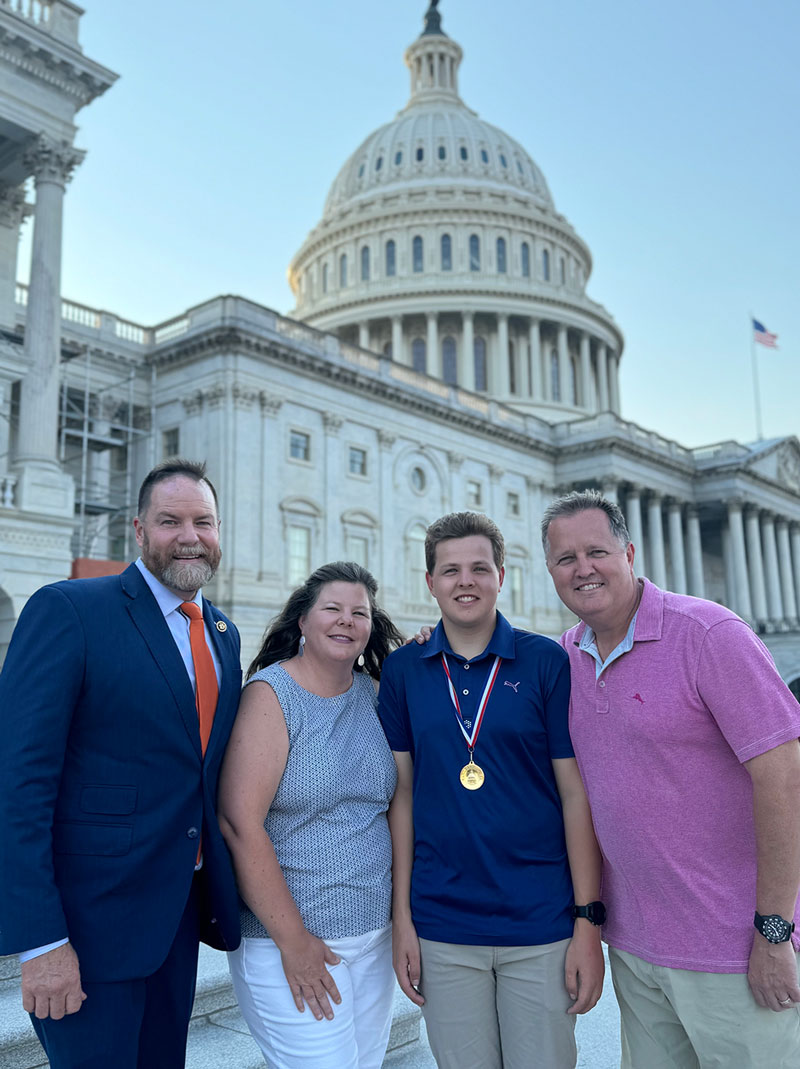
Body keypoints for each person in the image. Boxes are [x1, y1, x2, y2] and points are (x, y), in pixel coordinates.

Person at [541, 488, 800, 1068]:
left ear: (629, 553)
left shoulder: (708, 634)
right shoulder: (566, 657)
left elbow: (785, 781)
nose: (583, 569)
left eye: (597, 552)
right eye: (565, 558)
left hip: (735, 948)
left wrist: (775, 931)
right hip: (638, 949)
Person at [0, 459, 242, 1069]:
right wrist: (40, 940)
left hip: (176, 926)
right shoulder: (71, 610)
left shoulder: (222, 633)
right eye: (170, 521)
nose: (190, 535)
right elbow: (17, 783)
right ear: (138, 531)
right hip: (86, 934)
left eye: (203, 521)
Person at [378, 511, 604, 1069]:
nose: (466, 581)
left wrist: (586, 920)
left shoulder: (545, 661)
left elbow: (574, 795)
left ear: (501, 575)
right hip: (443, 925)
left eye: (480, 568)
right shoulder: (404, 670)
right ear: (429, 581)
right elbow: (400, 798)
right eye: (450, 570)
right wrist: (402, 919)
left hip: (541, 922)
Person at [218, 561, 404, 1069]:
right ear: (303, 620)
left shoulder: (376, 694)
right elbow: (238, 823)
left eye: (359, 612)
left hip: (374, 937)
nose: (346, 620)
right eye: (333, 609)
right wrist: (293, 942)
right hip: (291, 942)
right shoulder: (270, 696)